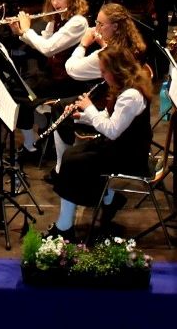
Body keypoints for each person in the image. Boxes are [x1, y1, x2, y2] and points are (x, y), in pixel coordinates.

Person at [49, 47, 154, 237]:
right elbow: (109, 117)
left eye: (104, 71)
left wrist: (89, 108)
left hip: (129, 154)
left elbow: (112, 131)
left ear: (116, 71)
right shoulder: (125, 87)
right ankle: (109, 199)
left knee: (73, 161)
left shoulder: (131, 96)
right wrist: (79, 116)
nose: (102, 75)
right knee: (72, 155)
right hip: (121, 146)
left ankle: (64, 227)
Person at [12, 0, 91, 158]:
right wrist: (21, 34)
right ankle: (34, 137)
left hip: (69, 81)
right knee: (17, 86)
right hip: (54, 75)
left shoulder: (78, 22)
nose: (55, 3)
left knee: (20, 91)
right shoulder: (58, 18)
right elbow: (43, 42)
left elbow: (48, 49)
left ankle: (33, 142)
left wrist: (27, 30)